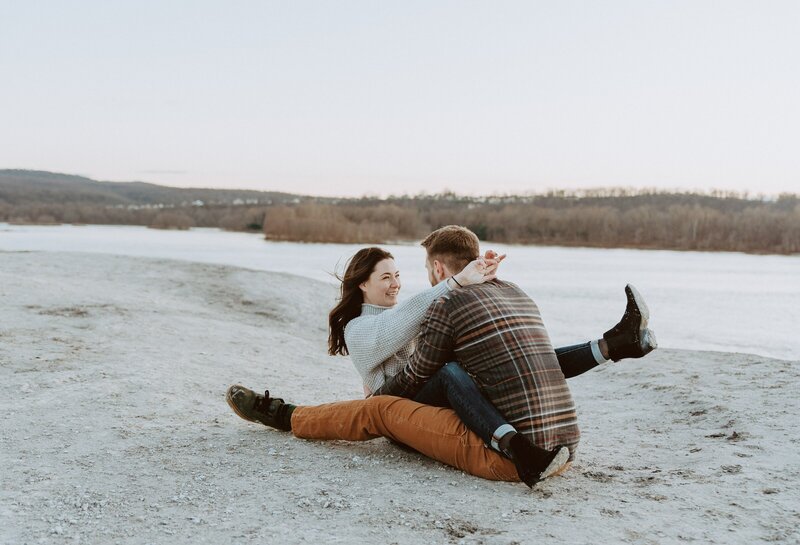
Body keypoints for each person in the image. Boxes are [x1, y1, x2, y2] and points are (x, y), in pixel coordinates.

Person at [226, 226, 657, 486]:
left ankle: (607, 351)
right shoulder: (361, 328)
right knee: (379, 406)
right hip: (401, 401)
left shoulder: (427, 306)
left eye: (399, 275)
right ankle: (282, 414)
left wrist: (462, 291)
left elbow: (447, 350)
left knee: (482, 369)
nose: (396, 285)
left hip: (425, 404)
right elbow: (401, 336)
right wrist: (457, 286)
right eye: (386, 278)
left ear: (432, 268)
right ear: (362, 284)